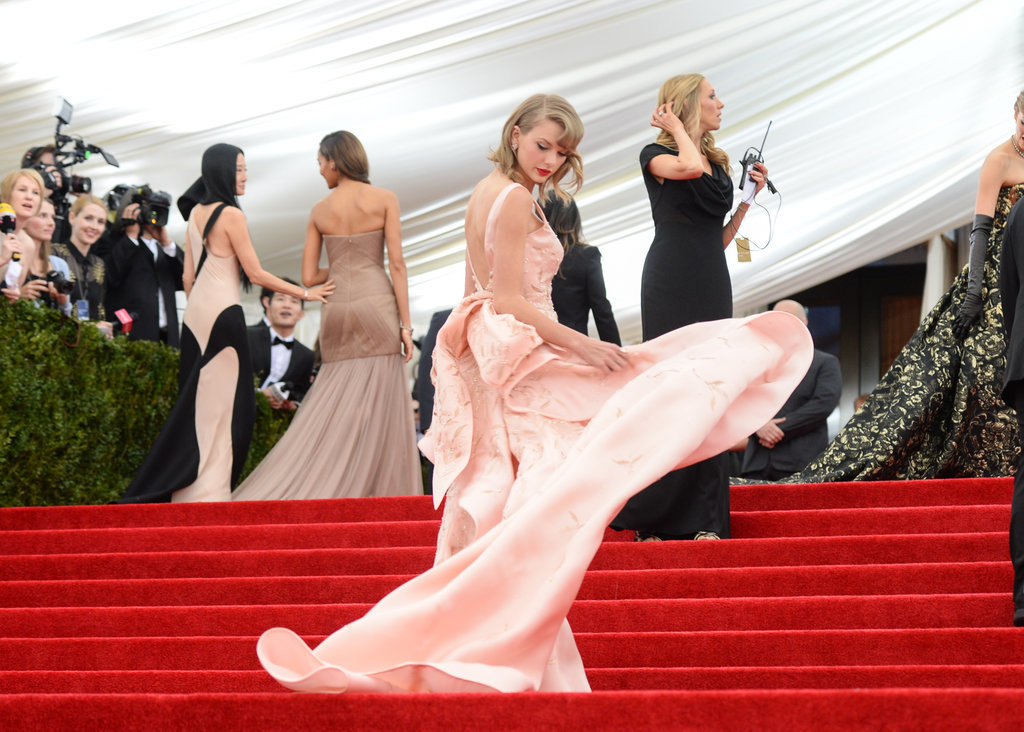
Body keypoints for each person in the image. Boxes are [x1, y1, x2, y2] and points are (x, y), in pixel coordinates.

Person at [254, 93, 811, 694]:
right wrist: (581, 347)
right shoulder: (516, 197)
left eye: (561, 151)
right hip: (524, 356)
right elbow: (509, 300)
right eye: (542, 145)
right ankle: (494, 645)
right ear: (515, 132)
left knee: (514, 499)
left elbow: (477, 293)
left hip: (497, 360)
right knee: (559, 488)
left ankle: (479, 640)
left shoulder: (486, 188)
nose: (550, 160)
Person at [785, 91, 1024, 485]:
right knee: (982, 366)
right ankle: (982, 464)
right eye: (1023, 124)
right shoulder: (998, 160)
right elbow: (980, 231)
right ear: (1014, 116)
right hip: (998, 273)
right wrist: (973, 293)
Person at [117, 143, 334, 504]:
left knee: (197, 402)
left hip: (196, 316)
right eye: (238, 170)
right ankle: (209, 490)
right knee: (231, 407)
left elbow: (187, 279)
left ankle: (191, 488)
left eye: (245, 169)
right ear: (221, 172)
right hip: (223, 314)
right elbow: (255, 272)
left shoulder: (196, 214)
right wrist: (306, 294)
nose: (245, 176)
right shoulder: (231, 216)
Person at [613, 74, 768, 542]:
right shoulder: (656, 155)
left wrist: (746, 203)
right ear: (685, 106)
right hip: (670, 281)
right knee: (672, 394)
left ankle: (706, 519)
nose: (721, 102)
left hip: (709, 279)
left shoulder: (716, 163)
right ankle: (656, 517)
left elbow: (715, 238)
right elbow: (689, 171)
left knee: (710, 394)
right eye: (711, 96)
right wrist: (682, 130)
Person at [232, 131, 421, 500]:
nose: (320, 171)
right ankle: (376, 492)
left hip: (336, 306)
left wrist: (341, 271)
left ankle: (325, 483)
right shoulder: (384, 199)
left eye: (320, 163)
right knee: (380, 400)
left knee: (337, 397)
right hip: (377, 302)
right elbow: (397, 264)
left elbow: (308, 278)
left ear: (334, 160)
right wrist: (405, 324)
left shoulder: (320, 210)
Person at [741, 300, 842, 481]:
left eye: (788, 319)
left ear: (804, 322)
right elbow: (742, 401)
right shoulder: (757, 363)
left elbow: (824, 404)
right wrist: (759, 426)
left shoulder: (824, 362)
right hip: (756, 462)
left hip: (802, 461)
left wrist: (776, 429)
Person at [102, 193, 185, 346]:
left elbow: (185, 280)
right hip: (134, 338)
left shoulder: (164, 249)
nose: (153, 216)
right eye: (150, 210)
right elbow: (111, 276)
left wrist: (167, 243)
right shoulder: (116, 242)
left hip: (168, 338)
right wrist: (131, 236)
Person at [541, 192, 620, 344]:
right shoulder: (587, 256)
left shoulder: (530, 257)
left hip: (539, 345)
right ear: (574, 219)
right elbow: (601, 309)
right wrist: (617, 352)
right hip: (575, 345)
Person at [247, 278, 315, 410]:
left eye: (294, 301)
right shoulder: (247, 336)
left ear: (301, 314)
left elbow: (301, 393)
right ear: (268, 305)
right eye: (280, 299)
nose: (287, 305)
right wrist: (257, 395)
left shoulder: (307, 355)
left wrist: (290, 404)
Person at [50, 195, 111, 332]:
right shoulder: (55, 254)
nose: (94, 226)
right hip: (62, 341)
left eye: (100, 222)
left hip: (92, 345)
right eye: (88, 218)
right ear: (72, 218)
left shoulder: (99, 264)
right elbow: (51, 309)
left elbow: (100, 309)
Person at [3, 198, 73, 315]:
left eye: (52, 217)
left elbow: (67, 317)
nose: (51, 223)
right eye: (43, 216)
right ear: (24, 221)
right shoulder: (10, 263)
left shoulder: (59, 265)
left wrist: (63, 302)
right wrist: (19, 295)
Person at [0, 168, 45, 301]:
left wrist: (15, 295)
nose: (29, 197)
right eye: (22, 190)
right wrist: (2, 259)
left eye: (36, 193)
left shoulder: (28, 244)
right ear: (6, 196)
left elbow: (13, 293)